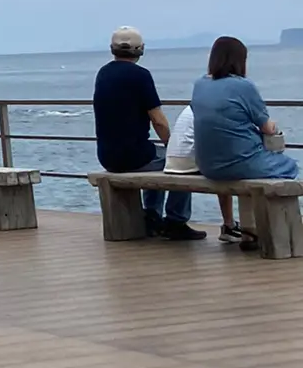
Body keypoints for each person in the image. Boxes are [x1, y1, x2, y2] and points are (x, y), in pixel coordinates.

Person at [93, 25, 203, 240]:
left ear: (112, 49)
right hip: (134, 157)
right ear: (140, 49)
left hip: (107, 156)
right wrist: (173, 146)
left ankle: (151, 215)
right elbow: (158, 121)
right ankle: (176, 220)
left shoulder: (103, 73)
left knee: (156, 156)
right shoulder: (140, 75)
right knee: (182, 162)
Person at [191, 37, 299, 196]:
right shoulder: (243, 86)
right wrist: (275, 126)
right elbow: (267, 128)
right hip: (240, 162)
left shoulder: (199, 84)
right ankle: (278, 219)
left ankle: (253, 219)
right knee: (291, 166)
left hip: (208, 166)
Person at [163, 102, 247, 246]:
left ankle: (229, 225)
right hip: (188, 163)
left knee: (222, 163)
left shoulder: (197, 104)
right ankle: (231, 225)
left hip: (173, 160)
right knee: (227, 170)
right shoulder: (215, 107)